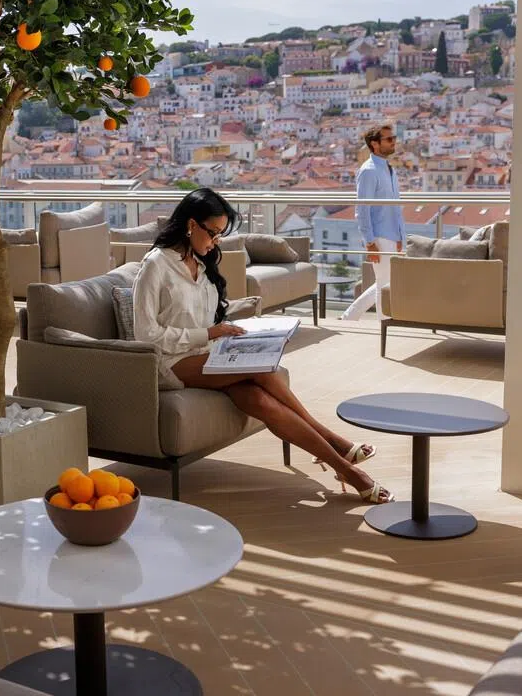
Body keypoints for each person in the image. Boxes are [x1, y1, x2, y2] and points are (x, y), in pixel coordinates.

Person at [132, 188, 393, 504]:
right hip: (168, 363)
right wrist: (209, 333)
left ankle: (341, 464)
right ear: (191, 225)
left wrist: (236, 334)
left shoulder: (201, 262)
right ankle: (339, 451)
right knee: (261, 369)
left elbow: (206, 319)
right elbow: (146, 335)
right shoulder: (156, 265)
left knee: (259, 398)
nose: (215, 241)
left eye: (220, 234)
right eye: (213, 233)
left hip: (204, 355)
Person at [341, 124, 405, 321]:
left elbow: (394, 207)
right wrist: (370, 242)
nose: (393, 142)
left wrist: (400, 236)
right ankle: (382, 327)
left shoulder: (388, 169)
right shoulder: (368, 171)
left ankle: (348, 317)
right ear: (375, 144)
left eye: (394, 138)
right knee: (384, 284)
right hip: (379, 237)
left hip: (392, 235)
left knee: (383, 281)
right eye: (389, 139)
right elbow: (362, 209)